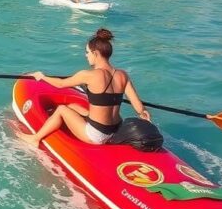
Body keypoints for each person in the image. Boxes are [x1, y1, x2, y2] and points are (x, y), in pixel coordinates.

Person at [16, 29, 150, 147]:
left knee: (62, 109)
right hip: (116, 130)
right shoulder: (122, 75)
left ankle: (35, 138)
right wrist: (143, 113)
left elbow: (61, 84)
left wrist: (42, 76)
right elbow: (138, 106)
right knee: (74, 106)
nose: (86, 56)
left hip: (97, 135)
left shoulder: (88, 75)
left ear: (95, 53)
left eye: (87, 52)